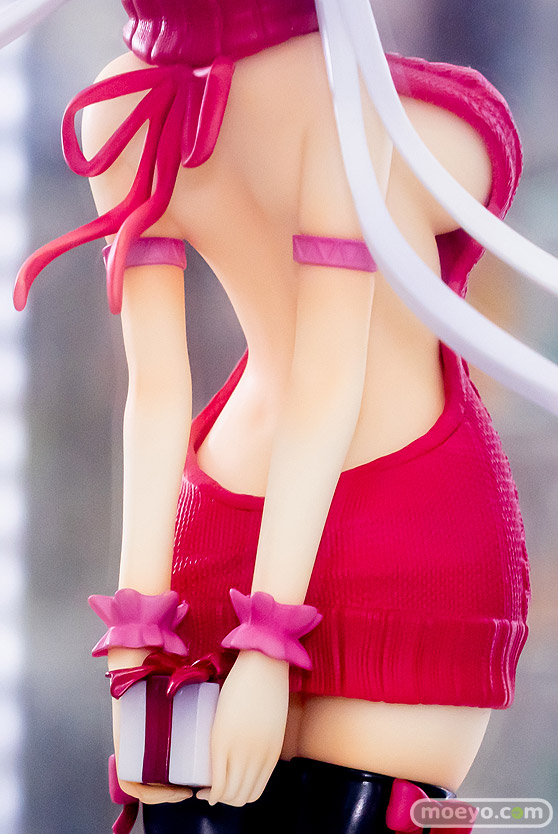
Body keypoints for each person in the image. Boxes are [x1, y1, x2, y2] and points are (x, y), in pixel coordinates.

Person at [10, 1, 548, 832]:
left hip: (375, 531)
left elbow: (207, 389)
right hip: (331, 518)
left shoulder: (149, 105)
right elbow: (182, 388)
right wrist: (138, 651)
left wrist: (176, 641)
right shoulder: (143, 103)